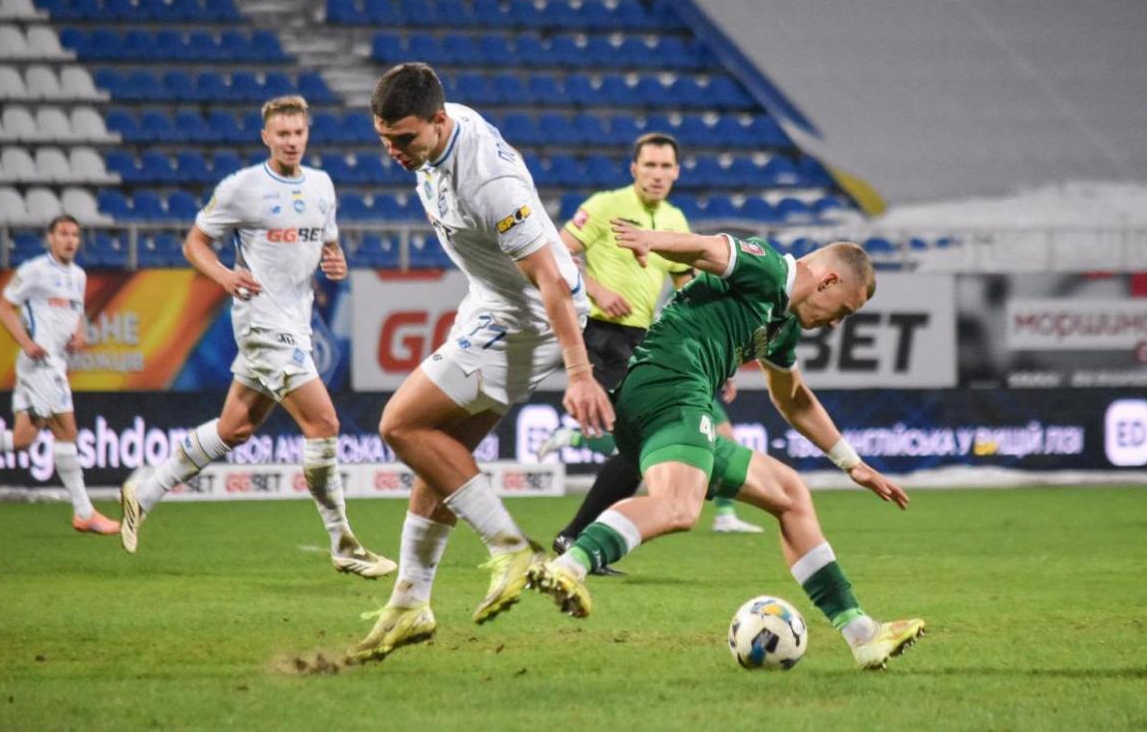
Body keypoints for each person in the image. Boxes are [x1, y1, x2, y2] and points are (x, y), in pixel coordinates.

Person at [528, 224, 926, 670]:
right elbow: (706, 249)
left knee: (789, 493)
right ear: (828, 280)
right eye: (843, 312)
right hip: (669, 383)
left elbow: (794, 399)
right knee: (679, 507)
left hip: (666, 400)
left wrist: (852, 464)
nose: (836, 324)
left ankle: (862, 635)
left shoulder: (783, 327)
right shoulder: (772, 269)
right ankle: (567, 567)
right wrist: (651, 241)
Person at [349, 62, 613, 662]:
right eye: (384, 139)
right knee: (440, 455)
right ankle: (410, 603)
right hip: (492, 304)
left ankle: (509, 547)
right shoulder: (439, 135)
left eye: (404, 139)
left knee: (400, 424)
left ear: (438, 122)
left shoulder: (488, 182)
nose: (393, 152)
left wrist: (579, 373)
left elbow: (550, 279)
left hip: (526, 319)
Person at [119, 95, 394, 580]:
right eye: (282, 134)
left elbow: (328, 244)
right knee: (324, 423)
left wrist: (336, 261)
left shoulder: (322, 185)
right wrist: (224, 275)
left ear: (307, 134)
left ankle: (145, 490)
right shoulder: (242, 187)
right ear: (266, 137)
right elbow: (194, 244)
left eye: (298, 133)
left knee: (235, 428)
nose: (291, 141)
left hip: (297, 323)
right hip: (263, 323)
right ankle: (343, 543)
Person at [536, 133, 762, 566]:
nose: (657, 174)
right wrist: (597, 290)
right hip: (599, 333)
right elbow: (554, 256)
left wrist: (719, 354)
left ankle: (576, 537)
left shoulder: (675, 220)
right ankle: (577, 537)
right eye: (650, 165)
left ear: (676, 172)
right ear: (634, 169)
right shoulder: (606, 205)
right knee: (637, 446)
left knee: (635, 448)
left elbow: (689, 289)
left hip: (642, 339)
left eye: (665, 167)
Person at [0, 216, 120, 534]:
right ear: (50, 238)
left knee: (21, 439)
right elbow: (4, 307)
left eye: (75, 234)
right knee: (67, 431)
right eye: (63, 233)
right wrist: (26, 343)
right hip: (41, 365)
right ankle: (84, 512)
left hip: (55, 364)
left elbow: (77, 312)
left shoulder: (79, 276)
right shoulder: (34, 270)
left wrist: (81, 333)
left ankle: (84, 513)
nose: (70, 240)